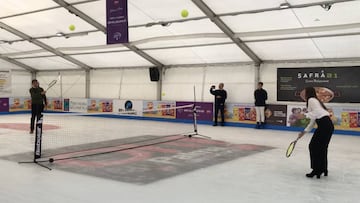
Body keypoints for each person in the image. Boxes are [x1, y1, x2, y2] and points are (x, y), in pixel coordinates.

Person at [297, 87, 334, 179]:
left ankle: (316, 170)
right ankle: (323, 169)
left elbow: (316, 113)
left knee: (313, 146)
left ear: (308, 93)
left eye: (305, 93)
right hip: (327, 125)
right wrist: (304, 132)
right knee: (321, 148)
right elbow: (313, 120)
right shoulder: (315, 101)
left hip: (324, 125)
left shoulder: (311, 100)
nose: (304, 95)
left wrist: (304, 115)